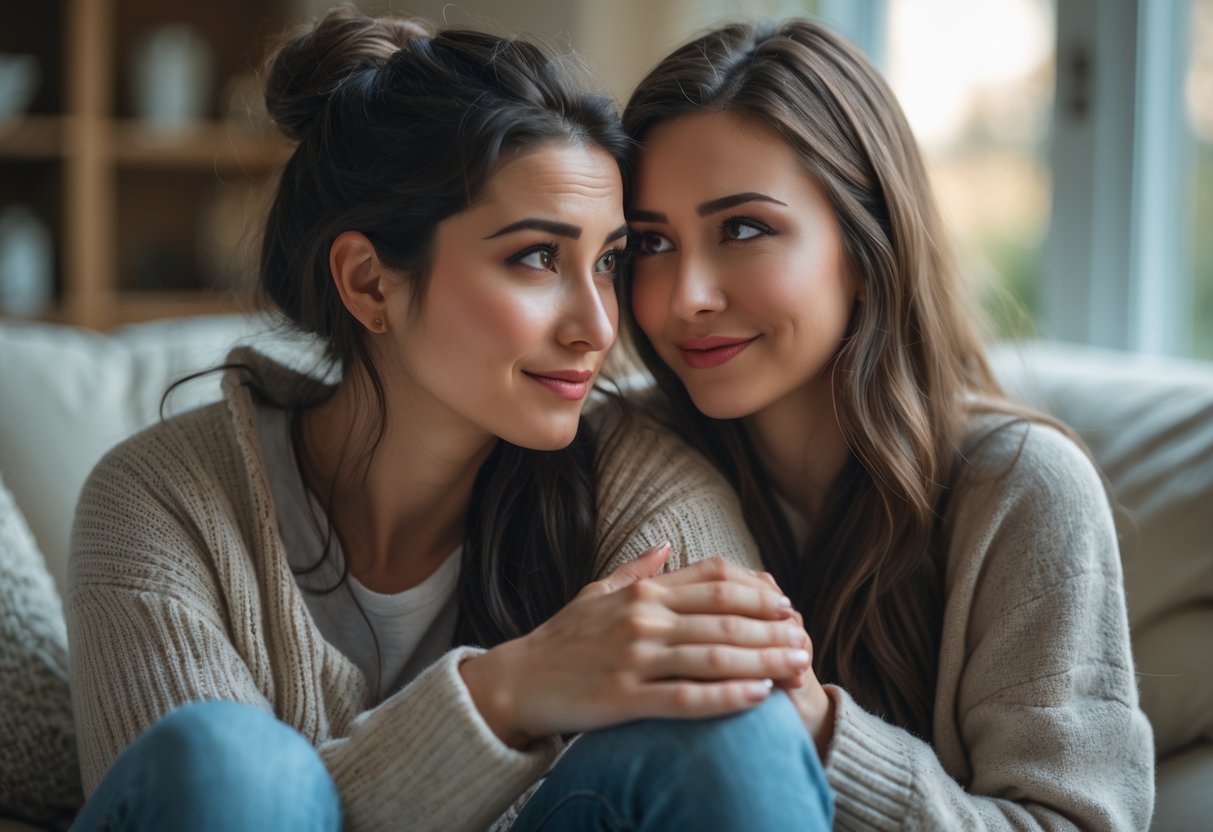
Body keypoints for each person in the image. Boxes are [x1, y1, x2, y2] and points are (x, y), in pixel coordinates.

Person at [65, 9, 834, 832]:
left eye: (608, 262)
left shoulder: (645, 494)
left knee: (735, 734)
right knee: (227, 762)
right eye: (537, 257)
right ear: (368, 283)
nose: (598, 327)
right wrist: (509, 692)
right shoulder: (159, 504)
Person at [621, 19, 1154, 830]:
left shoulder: (1019, 489)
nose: (685, 294)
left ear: (867, 252)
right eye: (652, 241)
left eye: (742, 229)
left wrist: (814, 726)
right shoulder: (617, 452)